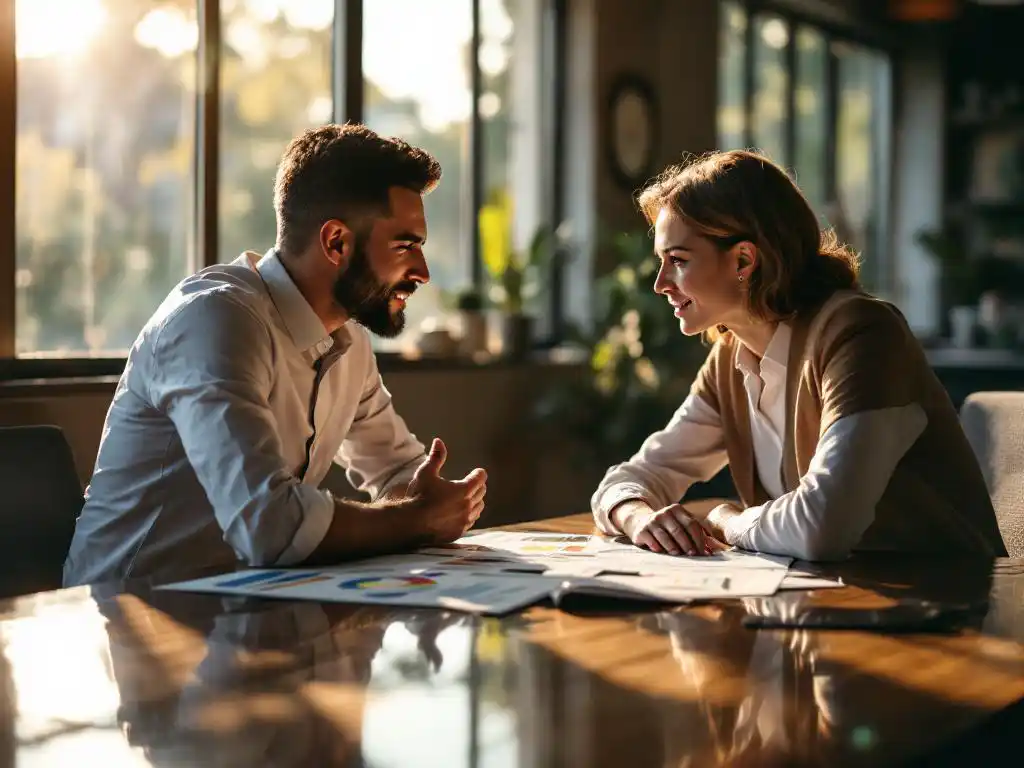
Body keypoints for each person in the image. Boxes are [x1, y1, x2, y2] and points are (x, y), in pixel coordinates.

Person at [64, 124, 487, 586]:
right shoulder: (215, 320)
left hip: (248, 607)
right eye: (405, 245)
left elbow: (398, 473)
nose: (422, 273)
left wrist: (428, 499)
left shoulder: (348, 339)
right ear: (336, 242)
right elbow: (269, 526)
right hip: (128, 618)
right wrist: (417, 520)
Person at [591, 150, 1006, 561]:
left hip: (955, 607)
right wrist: (636, 516)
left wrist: (728, 519)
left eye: (678, 261)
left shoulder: (862, 335)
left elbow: (821, 526)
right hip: (836, 603)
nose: (661, 283)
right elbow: (639, 475)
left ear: (743, 259)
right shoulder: (731, 359)